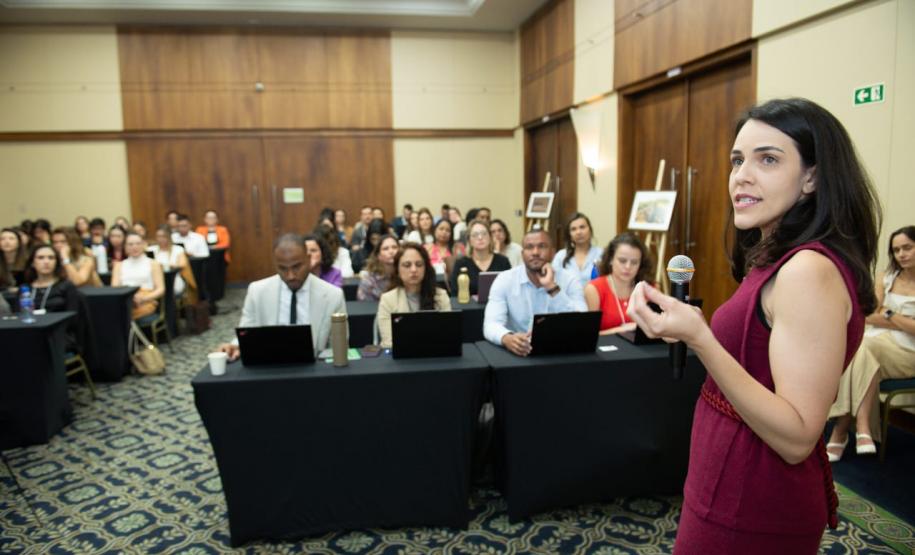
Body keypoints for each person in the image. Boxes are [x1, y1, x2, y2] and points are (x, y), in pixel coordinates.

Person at [625, 98, 880, 552]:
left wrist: (700, 338)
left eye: (767, 159)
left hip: (754, 501)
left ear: (812, 177)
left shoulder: (807, 271)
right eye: (738, 160)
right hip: (726, 483)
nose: (742, 174)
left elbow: (798, 436)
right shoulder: (774, 260)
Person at [827, 226, 915, 460]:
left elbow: (879, 315)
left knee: (858, 348)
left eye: (908, 247)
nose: (901, 254)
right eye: (896, 250)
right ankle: (862, 427)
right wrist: (904, 321)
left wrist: (887, 313)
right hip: (877, 344)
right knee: (861, 350)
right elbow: (867, 314)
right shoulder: (886, 278)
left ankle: (841, 430)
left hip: (909, 352)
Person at [218, 233, 347, 359]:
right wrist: (234, 346)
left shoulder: (332, 295)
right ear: (275, 264)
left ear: (308, 259)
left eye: (296, 267)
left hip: (315, 369)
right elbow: (247, 330)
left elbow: (340, 346)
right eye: (283, 268)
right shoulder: (257, 292)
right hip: (269, 366)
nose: (290, 275)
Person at [483, 228, 587, 356]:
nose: (535, 252)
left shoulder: (570, 280)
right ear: (522, 254)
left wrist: (552, 287)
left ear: (552, 252)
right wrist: (506, 338)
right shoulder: (505, 280)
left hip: (561, 352)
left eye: (542, 246)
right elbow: (491, 324)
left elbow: (582, 324)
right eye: (529, 247)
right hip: (519, 354)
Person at [377, 243, 451, 348]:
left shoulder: (440, 296)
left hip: (435, 356)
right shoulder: (388, 300)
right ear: (397, 270)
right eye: (407, 265)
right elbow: (389, 342)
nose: (413, 270)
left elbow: (448, 336)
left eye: (419, 264)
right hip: (401, 358)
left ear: (426, 268)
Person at [585, 233, 650, 335]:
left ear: (641, 264)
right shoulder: (594, 288)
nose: (628, 267)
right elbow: (590, 336)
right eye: (622, 261)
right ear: (610, 259)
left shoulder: (649, 288)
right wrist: (621, 330)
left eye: (634, 262)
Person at [23, 244, 83, 350]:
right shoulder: (25, 289)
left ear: (56, 262)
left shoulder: (67, 286)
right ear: (32, 263)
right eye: (40, 258)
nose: (46, 262)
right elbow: (20, 316)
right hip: (29, 335)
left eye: (51, 258)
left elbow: (73, 320)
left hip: (59, 336)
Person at [112, 231, 166, 321]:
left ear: (144, 245)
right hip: (126, 300)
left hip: (146, 300)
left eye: (138, 243)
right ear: (125, 246)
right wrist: (130, 298)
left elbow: (161, 289)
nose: (134, 247)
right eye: (130, 244)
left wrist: (143, 298)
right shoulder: (119, 265)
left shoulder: (153, 264)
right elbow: (115, 289)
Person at [450, 220, 511, 296]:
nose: (480, 237)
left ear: (490, 237)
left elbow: (510, 290)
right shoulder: (461, 264)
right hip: (469, 307)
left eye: (484, 233)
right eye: (475, 235)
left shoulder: (503, 261)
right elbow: (455, 294)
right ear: (469, 240)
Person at [552, 212, 603, 288]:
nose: (578, 232)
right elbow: (553, 282)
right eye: (573, 229)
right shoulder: (561, 256)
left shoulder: (601, 254)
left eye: (582, 227)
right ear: (569, 234)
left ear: (590, 230)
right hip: (567, 299)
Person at [149, 225, 190, 298]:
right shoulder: (151, 250)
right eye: (158, 236)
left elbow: (183, 264)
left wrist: (166, 265)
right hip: (154, 280)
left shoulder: (178, 249)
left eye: (163, 236)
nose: (160, 239)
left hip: (173, 279)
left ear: (169, 237)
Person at [357, 234, 399, 301]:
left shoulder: (405, 275)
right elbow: (364, 308)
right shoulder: (368, 279)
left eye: (394, 247)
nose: (391, 251)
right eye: (386, 249)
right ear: (378, 255)